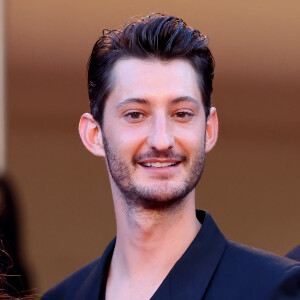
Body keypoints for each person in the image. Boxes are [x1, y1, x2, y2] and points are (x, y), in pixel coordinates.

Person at [42, 13, 300, 300]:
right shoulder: (61, 297)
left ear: (209, 129)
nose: (161, 140)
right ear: (94, 134)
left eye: (181, 114)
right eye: (135, 115)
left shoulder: (275, 289)